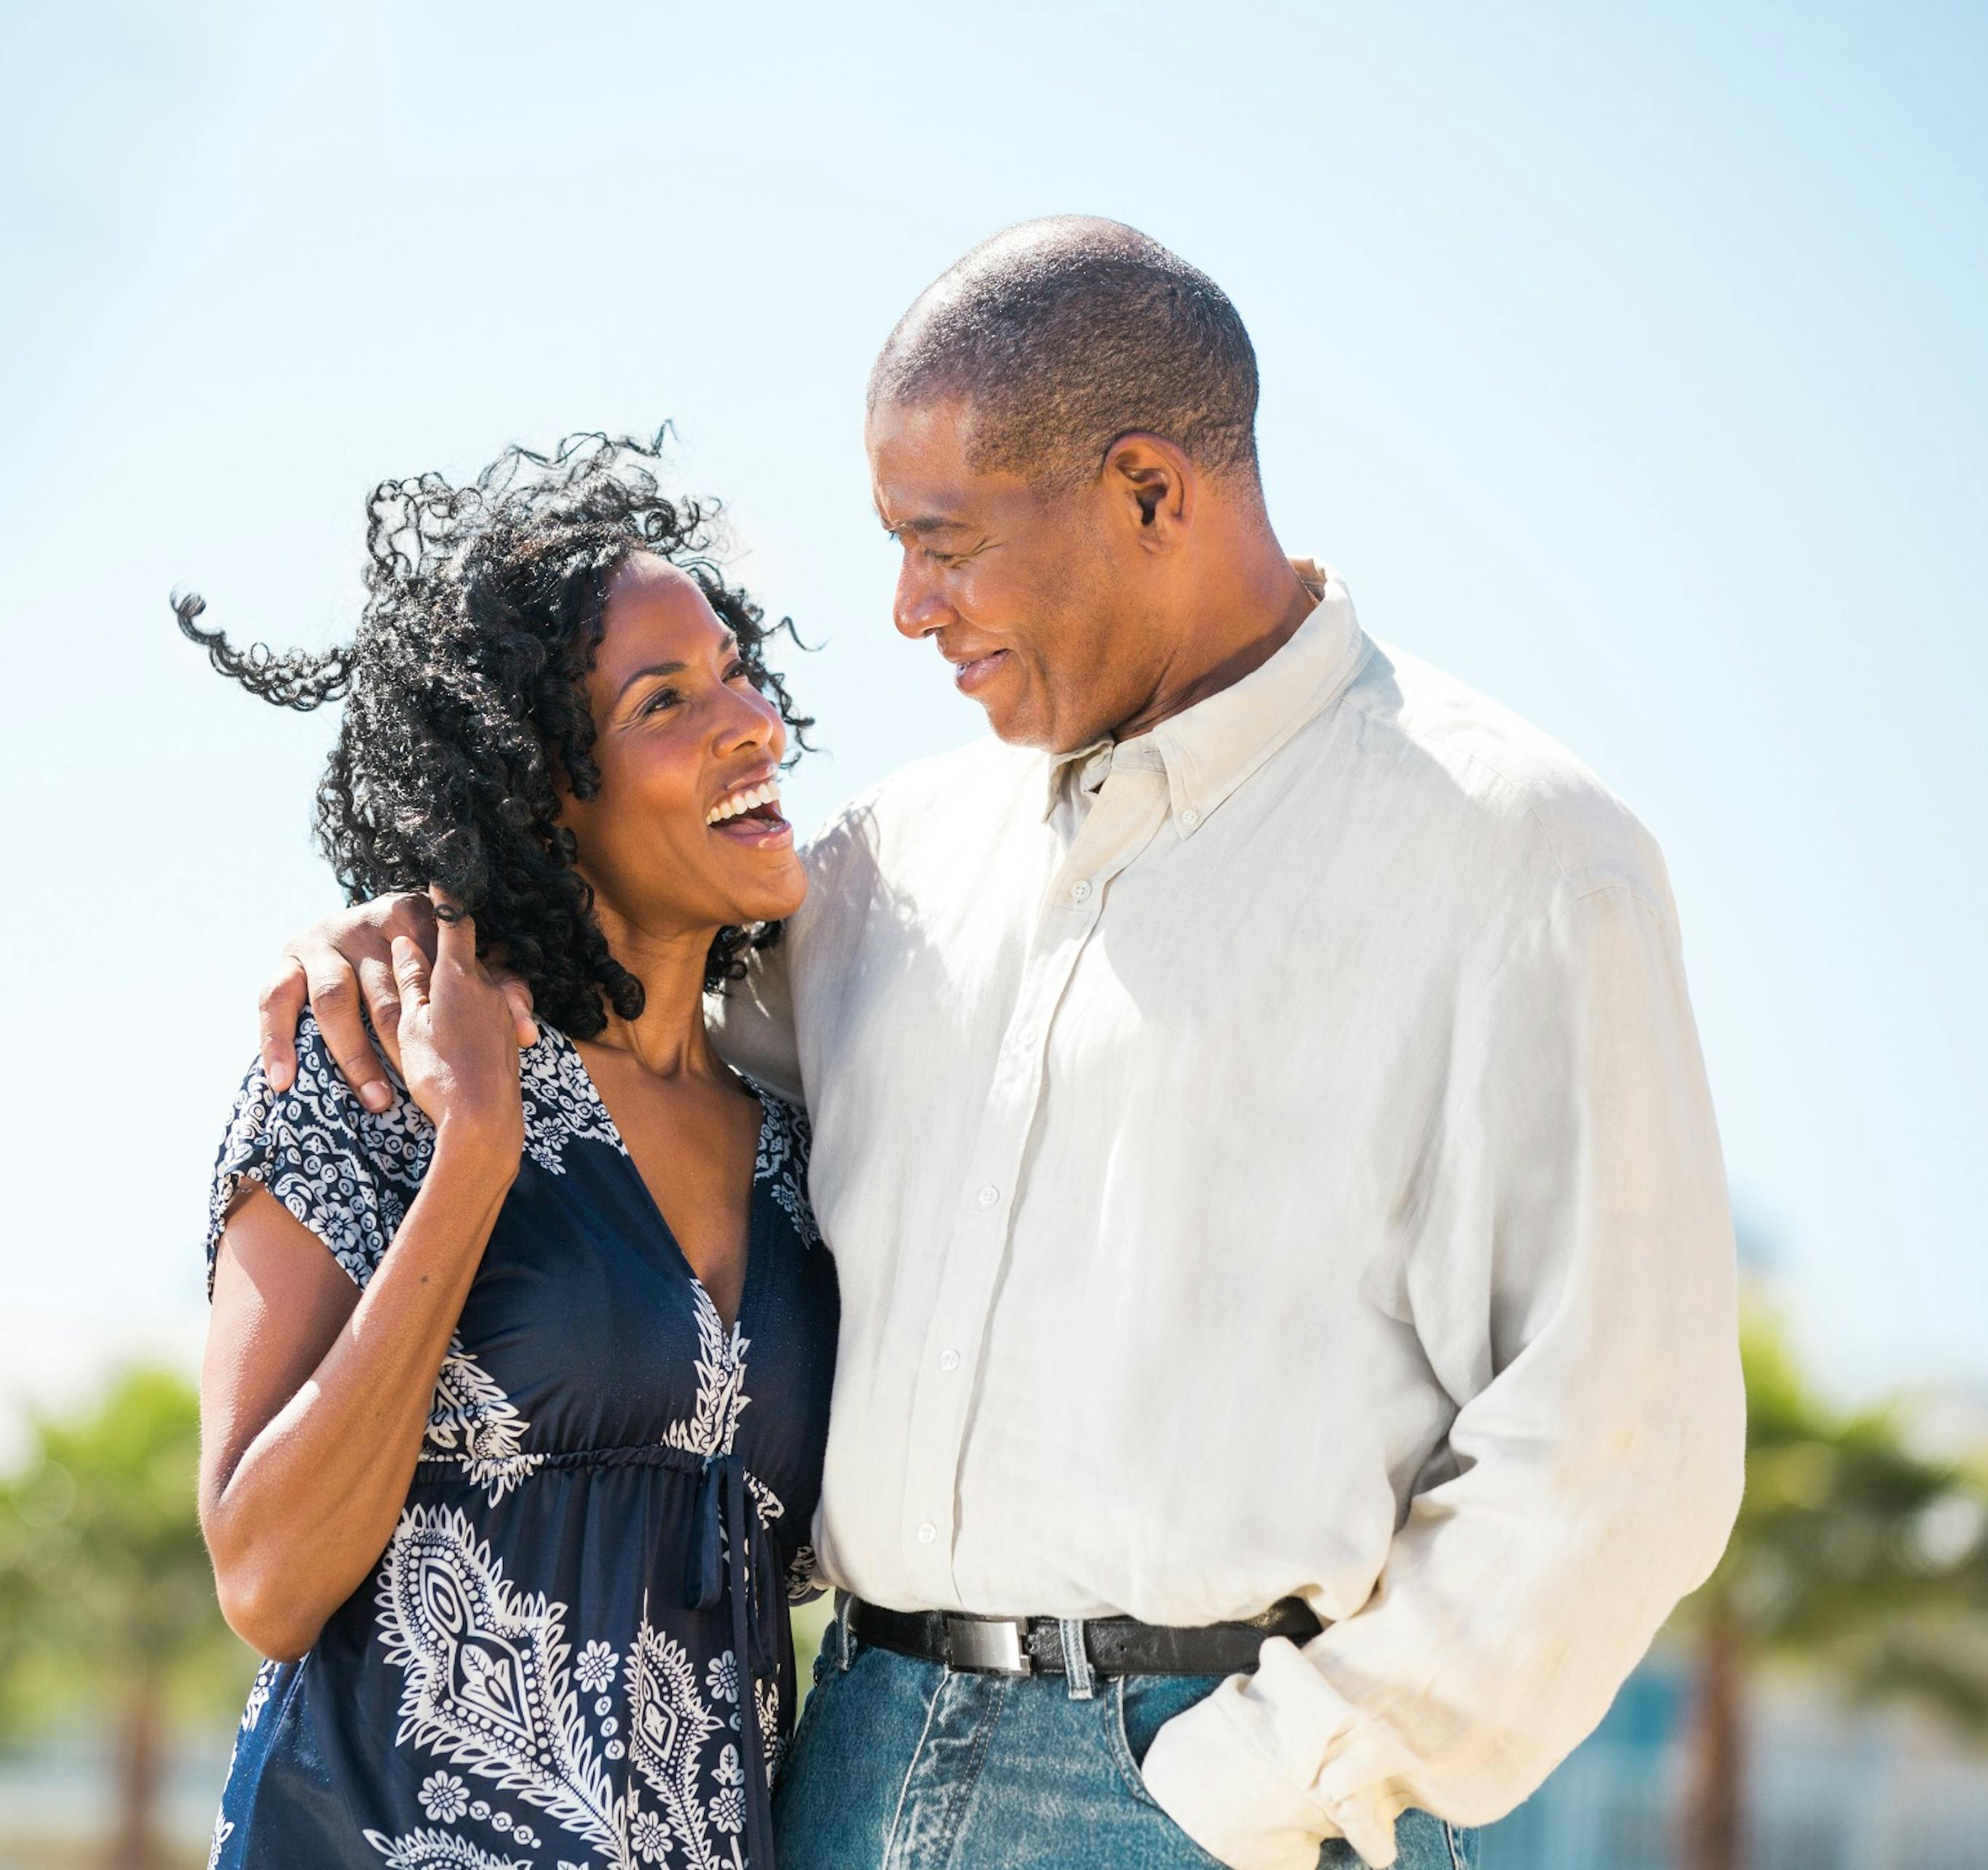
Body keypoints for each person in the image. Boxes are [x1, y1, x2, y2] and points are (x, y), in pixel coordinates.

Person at [261, 219, 1746, 1870]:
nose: (905, 610)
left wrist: (1268, 1779)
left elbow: (1628, 1437)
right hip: (841, 1758)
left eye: (944, 541)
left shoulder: (1516, 852)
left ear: (1149, 492)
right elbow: (619, 998)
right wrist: (418, 915)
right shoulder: (895, 867)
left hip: (1201, 1784)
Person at [187, 435, 844, 1870]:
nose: (749, 722)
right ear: (542, 787)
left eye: (737, 670)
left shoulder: (804, 1138)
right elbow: (267, 1573)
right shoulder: (374, 1065)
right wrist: (473, 1154)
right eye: (666, 699)